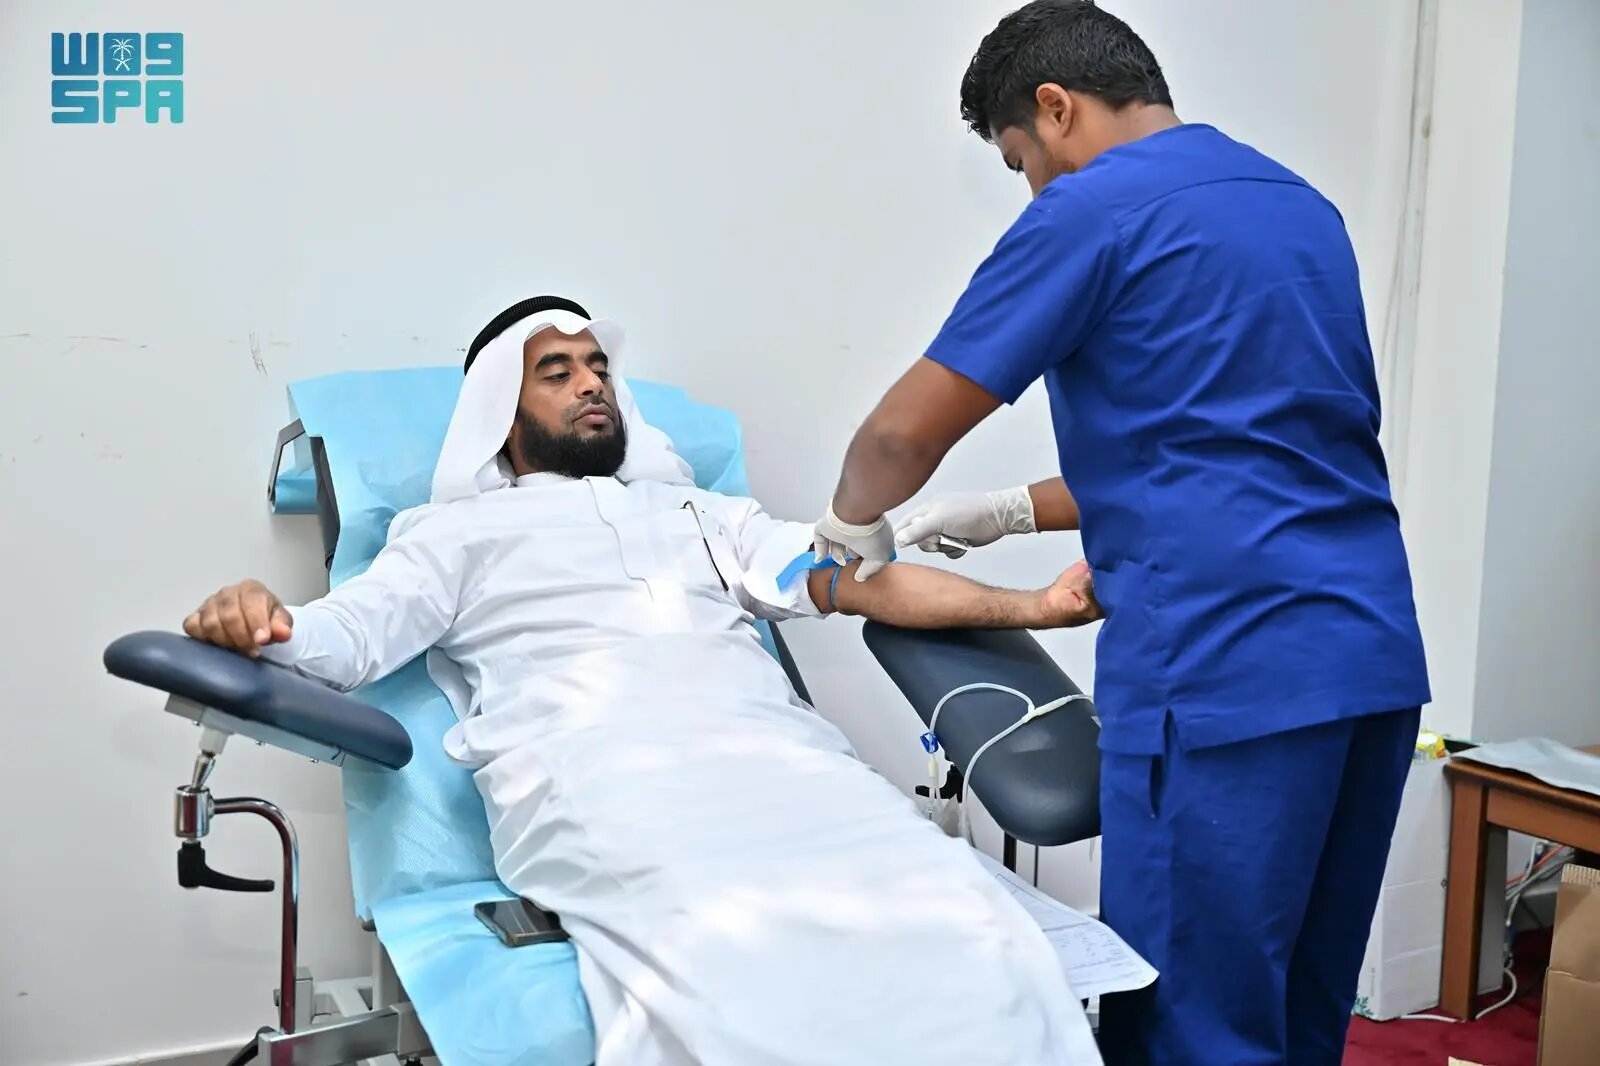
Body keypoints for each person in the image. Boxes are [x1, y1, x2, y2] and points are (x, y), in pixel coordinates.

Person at [183, 295, 1109, 1066]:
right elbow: (343, 639)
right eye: (557, 373)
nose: (591, 383)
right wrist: (260, 619)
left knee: (966, 919)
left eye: (598, 368)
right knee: (739, 957)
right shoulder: (448, 535)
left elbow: (859, 579)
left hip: (782, 764)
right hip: (598, 777)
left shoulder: (703, 516)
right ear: (500, 412)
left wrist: (1032, 606)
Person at [810, 3, 1432, 1063]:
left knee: (1194, 1023)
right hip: (1369, 664)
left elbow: (900, 435)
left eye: (1020, 161)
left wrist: (846, 523)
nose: (1031, 187)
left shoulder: (1090, 211)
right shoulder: (1300, 207)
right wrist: (1010, 510)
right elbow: (1232, 444)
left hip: (1225, 676)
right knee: (1299, 1007)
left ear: (1055, 107)